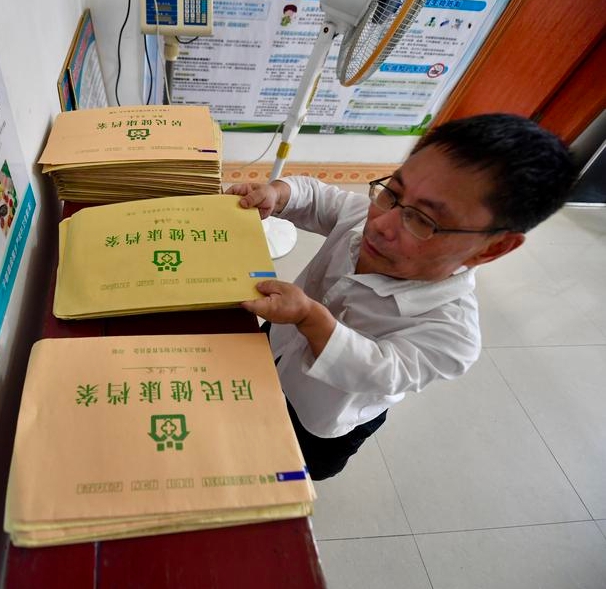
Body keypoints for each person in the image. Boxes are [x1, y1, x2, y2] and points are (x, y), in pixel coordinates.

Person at [226, 113, 577, 481]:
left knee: (299, 460)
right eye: (393, 191)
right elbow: (318, 198)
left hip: (323, 416)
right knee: (247, 396)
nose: (382, 224)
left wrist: (309, 319)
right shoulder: (369, 216)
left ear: (491, 249)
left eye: (424, 220)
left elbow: (381, 372)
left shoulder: (451, 335)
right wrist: (278, 194)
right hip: (277, 341)